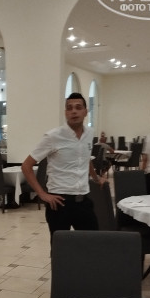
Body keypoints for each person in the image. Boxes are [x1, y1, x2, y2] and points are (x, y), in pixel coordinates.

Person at [21, 92, 104, 242]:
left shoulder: (89, 133)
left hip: (83, 200)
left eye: (78, 107)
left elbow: (86, 158)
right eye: (69, 108)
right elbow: (26, 166)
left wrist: (96, 179)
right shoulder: (53, 136)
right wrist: (42, 194)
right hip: (59, 202)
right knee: (60, 248)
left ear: (85, 111)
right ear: (65, 112)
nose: (74, 111)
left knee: (92, 244)